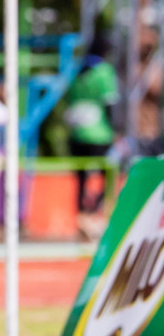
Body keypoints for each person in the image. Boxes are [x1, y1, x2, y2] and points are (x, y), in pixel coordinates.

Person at [65, 33, 118, 232]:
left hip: (77, 132)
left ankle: (82, 216)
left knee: (81, 178)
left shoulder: (77, 70)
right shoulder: (104, 71)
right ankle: (95, 209)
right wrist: (116, 131)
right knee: (109, 174)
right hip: (99, 133)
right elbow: (109, 104)